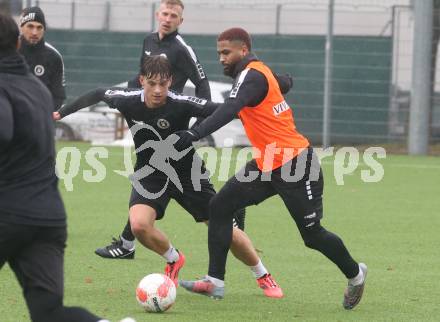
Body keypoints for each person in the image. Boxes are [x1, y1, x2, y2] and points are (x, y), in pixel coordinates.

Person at [54, 55, 287, 298]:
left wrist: (265, 106)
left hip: (189, 174)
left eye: (163, 85)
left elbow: (225, 110)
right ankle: (174, 259)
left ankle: (262, 275)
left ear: (170, 82)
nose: (157, 90)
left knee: (223, 228)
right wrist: (61, 113)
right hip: (151, 173)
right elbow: (98, 93)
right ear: (142, 80)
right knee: (139, 225)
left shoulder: (181, 102)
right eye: (152, 83)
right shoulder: (127, 99)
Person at [175, 28, 368, 310]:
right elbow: (273, 86)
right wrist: (284, 82)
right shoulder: (256, 74)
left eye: (226, 53)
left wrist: (194, 135)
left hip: (297, 164)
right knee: (219, 206)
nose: (221, 59)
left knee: (312, 236)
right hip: (267, 164)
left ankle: (356, 274)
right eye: (219, 53)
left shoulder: (251, 75)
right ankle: (215, 280)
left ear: (243, 50)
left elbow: (231, 108)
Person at [0, 13, 133, 322]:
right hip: (47, 218)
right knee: (49, 313)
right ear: (18, 42)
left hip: (8, 214)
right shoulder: (37, 91)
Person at [97, 0, 212, 259]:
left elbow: (202, 86)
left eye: (174, 15)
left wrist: (196, 128)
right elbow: (142, 76)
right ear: (157, 14)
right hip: (150, 115)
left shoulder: (183, 49)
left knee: (159, 175)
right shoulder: (149, 41)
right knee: (148, 176)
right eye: (165, 13)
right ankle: (127, 243)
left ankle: (226, 214)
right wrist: (121, 95)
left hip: (173, 119)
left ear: (180, 21)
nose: (168, 18)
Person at [18, 6, 66, 110]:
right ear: (21, 27)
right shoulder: (7, 50)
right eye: (30, 26)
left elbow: (58, 97)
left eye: (39, 27)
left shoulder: (54, 56)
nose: (35, 32)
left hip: (39, 121)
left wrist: (40, 115)